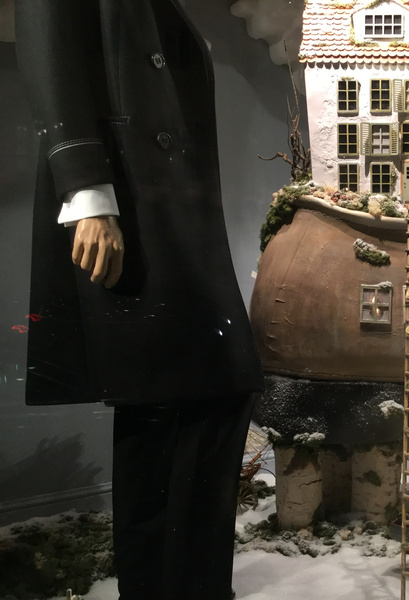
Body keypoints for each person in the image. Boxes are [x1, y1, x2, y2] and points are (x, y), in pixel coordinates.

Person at [15, 1, 264, 598]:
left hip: (161, 194)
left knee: (205, 399)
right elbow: (48, 36)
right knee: (167, 408)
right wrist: (86, 191)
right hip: (126, 194)